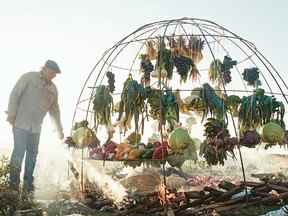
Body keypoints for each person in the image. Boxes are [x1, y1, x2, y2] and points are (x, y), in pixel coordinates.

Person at [6, 60, 64, 193]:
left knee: (32, 155)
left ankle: (28, 185)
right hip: (20, 123)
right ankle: (13, 185)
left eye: (55, 74)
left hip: (36, 127)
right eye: (52, 72)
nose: (53, 76)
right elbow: (14, 94)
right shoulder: (29, 77)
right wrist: (11, 115)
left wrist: (59, 129)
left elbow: (55, 111)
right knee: (18, 153)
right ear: (44, 69)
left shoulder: (53, 89)